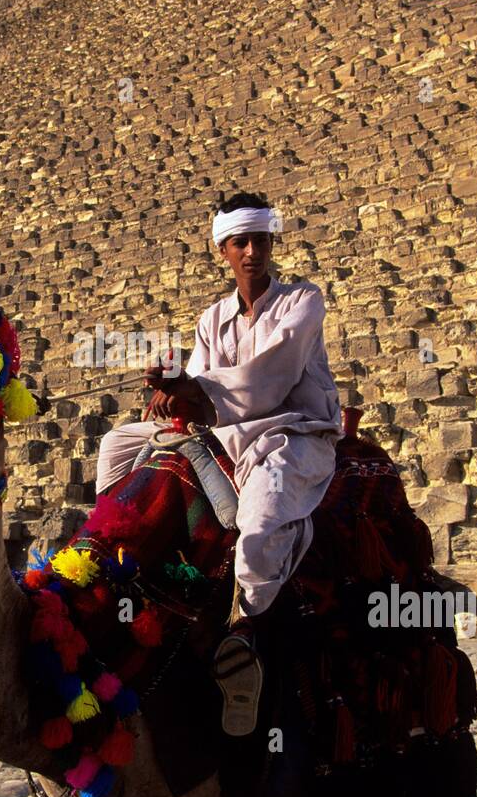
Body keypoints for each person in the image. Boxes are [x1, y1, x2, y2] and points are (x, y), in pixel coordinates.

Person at [95, 192, 342, 735]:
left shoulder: (303, 301)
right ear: (223, 250)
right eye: (240, 243)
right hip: (226, 431)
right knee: (117, 444)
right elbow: (201, 387)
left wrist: (193, 390)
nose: (252, 252)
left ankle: (244, 631)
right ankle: (115, 563)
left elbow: (272, 376)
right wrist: (172, 394)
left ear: (272, 242)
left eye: (261, 240)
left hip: (292, 431)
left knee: (262, 518)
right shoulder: (212, 318)